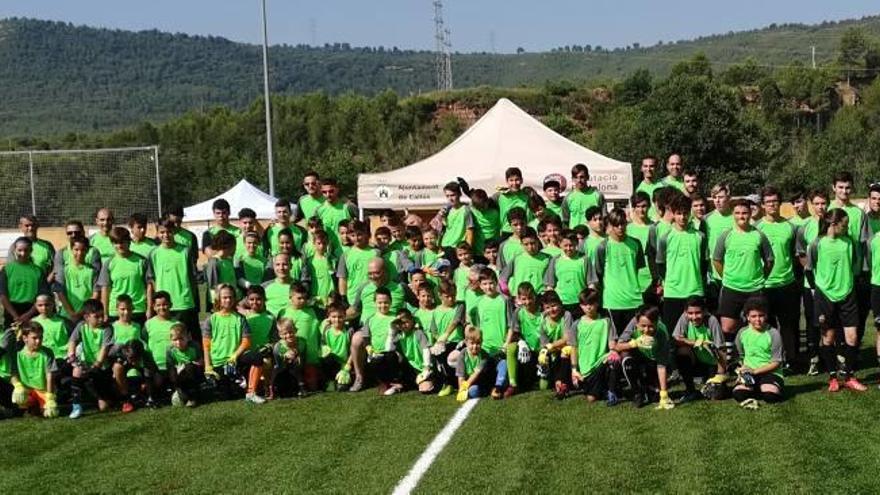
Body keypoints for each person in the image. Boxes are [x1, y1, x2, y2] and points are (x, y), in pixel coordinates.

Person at [805, 209, 867, 392]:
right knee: (828, 338)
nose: (847, 228)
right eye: (845, 224)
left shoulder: (849, 242)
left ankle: (848, 376)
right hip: (825, 296)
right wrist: (818, 290)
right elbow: (809, 269)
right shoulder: (817, 244)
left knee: (852, 337)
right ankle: (833, 376)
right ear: (834, 224)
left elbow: (854, 266)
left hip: (848, 295)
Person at [713, 199, 774, 353]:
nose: (741, 216)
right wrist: (726, 277)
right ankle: (729, 360)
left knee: (756, 324)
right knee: (727, 327)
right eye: (738, 213)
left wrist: (760, 277)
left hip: (754, 288)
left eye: (745, 213)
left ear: (750, 213)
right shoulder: (726, 235)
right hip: (731, 287)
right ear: (733, 215)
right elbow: (717, 259)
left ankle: (754, 357)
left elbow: (769, 260)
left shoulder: (759, 235)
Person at [756, 186, 800, 368]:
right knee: (767, 326)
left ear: (780, 203)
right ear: (763, 205)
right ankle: (770, 360)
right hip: (764, 284)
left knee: (788, 326)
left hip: (786, 283)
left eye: (775, 201)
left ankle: (791, 359)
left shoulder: (790, 227)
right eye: (768, 202)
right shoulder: (756, 227)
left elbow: (794, 254)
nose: (772, 205)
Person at [555, 288, 621, 404]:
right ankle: (600, 389)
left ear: (597, 303)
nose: (588, 307)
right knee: (590, 398)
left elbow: (612, 342)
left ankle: (612, 392)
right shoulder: (577, 324)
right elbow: (573, 348)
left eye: (591, 303)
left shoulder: (606, 321)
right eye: (585, 304)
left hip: (600, 362)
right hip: (584, 367)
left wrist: (613, 351)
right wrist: (574, 370)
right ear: (581, 306)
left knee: (613, 360)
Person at [202, 284, 266, 403]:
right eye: (224, 297)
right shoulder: (211, 319)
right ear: (218, 299)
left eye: (231, 297)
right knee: (226, 397)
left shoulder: (240, 318)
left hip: (236, 359)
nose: (228, 300)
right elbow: (206, 345)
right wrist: (208, 366)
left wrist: (234, 356)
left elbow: (246, 342)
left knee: (257, 357)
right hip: (219, 363)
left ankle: (251, 393)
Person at [828, 171, 871, 344]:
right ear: (833, 188)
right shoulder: (827, 209)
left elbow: (864, 243)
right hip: (832, 274)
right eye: (840, 187)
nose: (844, 191)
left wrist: (863, 269)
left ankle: (851, 351)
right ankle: (832, 353)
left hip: (853, 273)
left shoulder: (859, 213)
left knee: (854, 317)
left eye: (847, 187)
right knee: (832, 317)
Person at [590, 208, 646, 335]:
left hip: (634, 300)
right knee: (615, 342)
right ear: (610, 225)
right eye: (616, 225)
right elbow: (598, 274)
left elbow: (638, 269)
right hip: (612, 302)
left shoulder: (636, 244)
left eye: (623, 224)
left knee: (635, 341)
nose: (620, 227)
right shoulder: (602, 247)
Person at [656, 194, 708, 331]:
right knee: (672, 335)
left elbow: (704, 263)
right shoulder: (665, 238)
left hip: (695, 291)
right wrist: (668, 282)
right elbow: (660, 265)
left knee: (696, 334)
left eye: (685, 213)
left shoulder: (700, 237)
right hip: (673, 293)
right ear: (673, 213)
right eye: (679, 213)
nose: (682, 217)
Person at [468, 268, 516, 399]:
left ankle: (498, 387)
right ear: (480, 285)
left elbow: (511, 325)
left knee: (503, 366)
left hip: (501, 348)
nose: (488, 287)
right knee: (474, 391)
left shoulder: (505, 300)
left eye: (491, 283)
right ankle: (487, 386)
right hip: (485, 349)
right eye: (484, 284)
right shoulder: (479, 303)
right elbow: (478, 328)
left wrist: (506, 343)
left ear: (496, 283)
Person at [795, 190, 829, 375]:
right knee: (812, 322)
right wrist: (811, 276)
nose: (820, 207)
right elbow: (801, 254)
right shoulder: (804, 227)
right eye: (817, 203)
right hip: (811, 285)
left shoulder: (834, 225)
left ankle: (830, 356)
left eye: (823, 203)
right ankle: (814, 357)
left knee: (831, 322)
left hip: (831, 285)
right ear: (811, 204)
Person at [614, 305, 673, 410]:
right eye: (643, 326)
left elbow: (661, 365)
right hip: (639, 358)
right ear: (637, 323)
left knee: (655, 396)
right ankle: (637, 392)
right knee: (625, 356)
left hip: (655, 362)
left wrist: (664, 393)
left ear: (657, 322)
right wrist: (634, 344)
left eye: (651, 326)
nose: (646, 330)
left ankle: (650, 386)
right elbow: (618, 346)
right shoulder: (634, 323)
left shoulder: (662, 333)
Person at [147, 220, 199, 339]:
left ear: (174, 232)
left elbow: (192, 278)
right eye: (162, 232)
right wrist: (153, 304)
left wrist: (193, 299)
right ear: (157, 233)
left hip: (184, 303)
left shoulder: (186, 251)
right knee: (168, 339)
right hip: (163, 305)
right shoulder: (153, 253)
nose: (166, 235)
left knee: (189, 339)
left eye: (169, 231)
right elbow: (152, 280)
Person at [732, 297, 785, 408]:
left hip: (770, 373)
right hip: (749, 373)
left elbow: (777, 362)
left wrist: (755, 371)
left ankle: (767, 387)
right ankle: (756, 387)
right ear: (747, 317)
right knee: (739, 394)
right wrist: (743, 369)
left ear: (766, 315)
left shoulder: (773, 333)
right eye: (753, 316)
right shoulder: (742, 332)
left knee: (770, 396)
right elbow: (739, 356)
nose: (758, 320)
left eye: (761, 315)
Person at [672, 297, 726, 403]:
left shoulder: (712, 320)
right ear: (685, 312)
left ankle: (711, 382)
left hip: (713, 363)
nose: (694, 317)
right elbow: (676, 338)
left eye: (698, 313)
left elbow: (721, 349)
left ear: (705, 311)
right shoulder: (684, 317)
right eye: (690, 313)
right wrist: (696, 343)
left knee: (716, 395)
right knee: (681, 351)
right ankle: (690, 390)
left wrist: (720, 374)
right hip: (696, 360)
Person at [67, 299, 114, 419]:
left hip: (102, 369)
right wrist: (72, 356)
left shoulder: (107, 329)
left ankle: (106, 398)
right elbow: (72, 341)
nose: (101, 319)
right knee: (76, 370)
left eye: (102, 315)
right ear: (86, 317)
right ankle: (76, 405)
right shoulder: (81, 326)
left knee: (104, 407)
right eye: (96, 316)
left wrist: (95, 366)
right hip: (87, 365)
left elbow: (104, 350)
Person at [98, 227, 150, 324]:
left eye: (122, 242)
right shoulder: (109, 263)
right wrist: (105, 313)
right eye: (116, 243)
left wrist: (149, 308)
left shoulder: (141, 261)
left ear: (129, 242)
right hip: (116, 312)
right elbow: (105, 289)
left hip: (137, 310)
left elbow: (149, 286)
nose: (120, 245)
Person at [277, 283, 322, 391]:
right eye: (299, 298)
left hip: (312, 354)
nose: (303, 300)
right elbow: (279, 334)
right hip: (293, 354)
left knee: (313, 386)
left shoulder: (313, 311)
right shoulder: (284, 313)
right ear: (290, 297)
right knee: (293, 384)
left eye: (305, 298)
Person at [10, 321, 58, 418]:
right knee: (18, 404)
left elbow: (50, 376)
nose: (38, 341)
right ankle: (29, 407)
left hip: (43, 391)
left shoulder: (47, 352)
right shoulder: (17, 353)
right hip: (26, 391)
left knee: (50, 414)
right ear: (25, 338)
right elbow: (13, 374)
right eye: (34, 338)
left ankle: (38, 406)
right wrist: (18, 386)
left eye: (40, 337)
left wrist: (50, 397)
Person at [109, 295, 147, 413]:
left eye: (129, 309)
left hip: (137, 360)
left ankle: (144, 395)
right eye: (122, 309)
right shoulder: (112, 327)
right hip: (120, 360)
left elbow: (143, 343)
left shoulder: (137, 326)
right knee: (117, 367)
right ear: (117, 309)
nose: (126, 312)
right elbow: (110, 348)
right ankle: (126, 399)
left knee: (137, 376)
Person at [0, 237, 50, 327]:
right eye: (19, 250)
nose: (23, 253)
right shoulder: (6, 270)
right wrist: (15, 316)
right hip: (11, 312)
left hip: (32, 311)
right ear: (14, 250)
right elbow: (3, 295)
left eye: (26, 250)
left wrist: (27, 315)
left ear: (31, 250)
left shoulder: (38, 271)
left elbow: (42, 295)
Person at [348, 258, 409, 326]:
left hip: (393, 330)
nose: (373, 277)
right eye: (370, 274)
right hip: (366, 331)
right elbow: (355, 310)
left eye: (377, 273)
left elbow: (418, 305)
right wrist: (338, 317)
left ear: (385, 271)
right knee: (357, 337)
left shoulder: (400, 287)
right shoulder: (363, 288)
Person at [143, 291, 179, 405]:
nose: (162, 307)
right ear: (153, 307)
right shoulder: (148, 324)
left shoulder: (177, 324)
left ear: (171, 305)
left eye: (165, 304)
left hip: (173, 365)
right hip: (156, 366)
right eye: (158, 305)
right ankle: (152, 397)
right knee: (157, 384)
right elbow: (144, 341)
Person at [387, 309, 433, 395]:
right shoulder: (399, 336)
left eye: (406, 322)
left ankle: (415, 383)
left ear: (412, 320)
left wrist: (426, 368)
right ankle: (400, 383)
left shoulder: (418, 332)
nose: (403, 325)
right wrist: (392, 330)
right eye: (400, 323)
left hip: (422, 368)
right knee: (390, 356)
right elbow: (389, 349)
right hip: (410, 368)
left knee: (425, 389)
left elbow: (426, 349)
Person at [544, 231, 589, 318]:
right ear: (560, 244)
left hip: (580, 303)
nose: (568, 248)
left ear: (576, 244)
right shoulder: (555, 260)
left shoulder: (584, 259)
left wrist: (588, 302)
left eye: (571, 245)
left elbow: (591, 283)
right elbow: (550, 285)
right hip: (561, 303)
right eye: (565, 245)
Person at [704, 184, 734, 309]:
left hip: (733, 271)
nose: (717, 200)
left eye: (721, 197)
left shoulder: (736, 217)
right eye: (714, 197)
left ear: (729, 198)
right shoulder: (706, 219)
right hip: (713, 275)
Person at [55, 235, 99, 322]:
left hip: (87, 316)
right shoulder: (64, 270)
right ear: (71, 250)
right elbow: (60, 293)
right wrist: (71, 313)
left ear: (87, 251)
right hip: (67, 316)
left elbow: (95, 294)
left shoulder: (92, 271)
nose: (79, 253)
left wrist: (82, 312)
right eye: (76, 250)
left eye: (83, 250)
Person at [337, 220, 380, 304]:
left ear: (365, 234)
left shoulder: (376, 253)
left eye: (359, 235)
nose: (356, 238)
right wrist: (343, 297)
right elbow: (342, 279)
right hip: (352, 297)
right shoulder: (345, 255)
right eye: (353, 235)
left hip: (371, 297)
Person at [499, 229, 550, 297]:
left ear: (538, 241)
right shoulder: (517, 259)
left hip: (539, 297)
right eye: (526, 244)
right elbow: (503, 279)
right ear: (521, 244)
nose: (530, 247)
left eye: (532, 243)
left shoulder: (547, 258)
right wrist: (509, 294)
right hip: (520, 299)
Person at [314, 178, 357, 253]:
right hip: (328, 252)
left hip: (347, 251)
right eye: (324, 192)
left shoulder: (348, 207)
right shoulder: (319, 210)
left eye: (331, 191)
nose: (328, 195)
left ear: (337, 189)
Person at [626, 192, 654, 303]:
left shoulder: (655, 227)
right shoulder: (627, 230)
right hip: (634, 280)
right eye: (638, 206)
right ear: (633, 208)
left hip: (653, 280)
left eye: (644, 206)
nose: (641, 210)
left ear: (649, 206)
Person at [166, 323, 203, 407]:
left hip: (194, 371)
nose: (178, 342)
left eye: (181, 339)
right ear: (171, 340)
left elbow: (200, 361)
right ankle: (180, 393)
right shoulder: (170, 350)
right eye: (175, 340)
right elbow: (170, 366)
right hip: (179, 373)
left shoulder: (194, 346)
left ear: (188, 337)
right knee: (173, 375)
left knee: (189, 368)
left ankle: (193, 397)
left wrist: (191, 364)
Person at [455, 326, 494, 401]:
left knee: (474, 391)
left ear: (482, 342)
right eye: (472, 343)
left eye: (478, 343)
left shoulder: (484, 355)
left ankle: (487, 390)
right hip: (468, 380)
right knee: (471, 390)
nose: (475, 346)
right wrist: (461, 389)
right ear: (466, 343)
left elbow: (476, 373)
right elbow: (461, 376)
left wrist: (465, 387)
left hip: (481, 380)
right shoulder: (462, 355)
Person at [270, 318, 307, 398]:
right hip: (282, 370)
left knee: (296, 362)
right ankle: (271, 390)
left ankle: (301, 387)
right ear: (280, 335)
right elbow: (283, 357)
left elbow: (301, 354)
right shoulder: (278, 346)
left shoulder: (302, 342)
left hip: (297, 368)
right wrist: (287, 355)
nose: (288, 335)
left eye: (291, 332)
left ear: (295, 330)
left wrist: (296, 354)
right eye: (285, 333)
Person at [562, 163, 606, 229]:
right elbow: (565, 221)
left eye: (582, 177)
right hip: (575, 236)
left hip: (593, 236)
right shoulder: (568, 198)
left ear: (587, 177)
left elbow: (604, 217)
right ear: (572, 179)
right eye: (576, 177)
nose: (579, 180)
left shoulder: (597, 195)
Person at [321, 303, 352, 392]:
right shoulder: (326, 330)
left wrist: (347, 366)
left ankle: (343, 380)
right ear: (329, 317)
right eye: (334, 317)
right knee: (326, 358)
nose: (337, 320)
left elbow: (352, 351)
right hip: (332, 362)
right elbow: (323, 345)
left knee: (342, 388)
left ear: (345, 316)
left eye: (340, 317)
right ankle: (330, 380)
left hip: (345, 364)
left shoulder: (349, 331)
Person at [439, 182, 475, 260]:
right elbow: (445, 230)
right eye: (447, 196)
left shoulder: (466, 209)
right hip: (445, 246)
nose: (450, 198)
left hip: (457, 248)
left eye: (452, 195)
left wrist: (468, 250)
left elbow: (470, 231)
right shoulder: (447, 210)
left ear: (459, 194)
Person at [203, 230, 239, 308]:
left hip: (231, 301)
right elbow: (213, 286)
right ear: (228, 246)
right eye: (234, 245)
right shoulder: (214, 262)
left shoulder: (228, 261)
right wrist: (217, 303)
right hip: (220, 304)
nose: (235, 248)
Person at [494, 167, 531, 234]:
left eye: (517, 180)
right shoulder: (499, 196)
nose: (514, 183)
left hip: (523, 231)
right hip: (506, 232)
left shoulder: (527, 195)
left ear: (522, 180)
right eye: (511, 180)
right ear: (507, 181)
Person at [469, 188, 501, 255]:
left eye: (483, 206)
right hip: (478, 252)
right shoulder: (472, 211)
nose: (482, 209)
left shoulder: (496, 212)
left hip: (494, 251)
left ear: (487, 201)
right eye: (479, 208)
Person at [497, 207, 528, 273]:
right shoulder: (504, 245)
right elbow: (502, 270)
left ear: (526, 222)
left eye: (522, 224)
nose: (519, 227)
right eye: (515, 225)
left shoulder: (534, 242)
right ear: (510, 225)